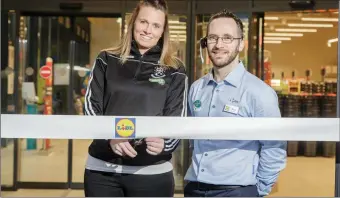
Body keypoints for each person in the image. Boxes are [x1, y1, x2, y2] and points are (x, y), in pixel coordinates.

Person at [83, 0, 188, 197]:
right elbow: (91, 107)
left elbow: (177, 118)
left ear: (163, 30)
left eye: (156, 25)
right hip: (103, 172)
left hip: (152, 174)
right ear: (133, 23)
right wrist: (110, 137)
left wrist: (165, 143)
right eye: (143, 22)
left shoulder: (174, 69)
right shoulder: (106, 59)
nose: (148, 30)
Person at [184, 9, 287, 197]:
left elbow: (274, 148)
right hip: (195, 188)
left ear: (241, 45)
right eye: (213, 38)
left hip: (236, 191)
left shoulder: (259, 92)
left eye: (227, 38)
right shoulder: (197, 88)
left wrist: (259, 190)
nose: (218, 44)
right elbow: (194, 141)